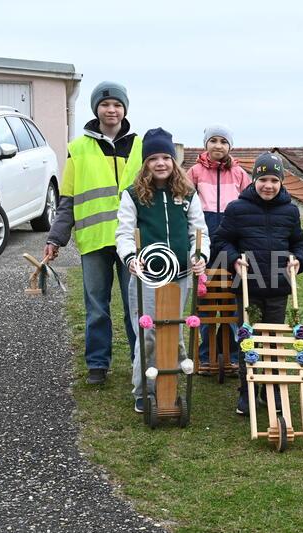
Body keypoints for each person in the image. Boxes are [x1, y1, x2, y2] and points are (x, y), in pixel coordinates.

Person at [44, 81, 143, 385]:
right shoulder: (78, 148)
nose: (111, 110)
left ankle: (140, 362)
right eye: (105, 105)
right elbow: (68, 199)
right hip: (94, 240)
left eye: (117, 104)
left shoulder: (141, 146)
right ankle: (98, 365)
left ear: (124, 109)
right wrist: (55, 238)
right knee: (97, 307)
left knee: (134, 307)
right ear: (96, 109)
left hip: (133, 241)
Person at [115, 128, 209, 413]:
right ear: (145, 163)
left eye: (165, 157)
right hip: (147, 277)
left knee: (173, 333)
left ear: (173, 160)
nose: (160, 163)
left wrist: (200, 256)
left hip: (179, 276)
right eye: (153, 158)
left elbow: (199, 231)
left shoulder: (188, 194)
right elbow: (124, 234)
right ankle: (144, 390)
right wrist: (130, 257)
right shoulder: (133, 195)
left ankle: (170, 386)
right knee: (147, 334)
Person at [211, 152, 303, 416]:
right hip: (248, 287)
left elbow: (299, 243)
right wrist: (232, 260)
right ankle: (248, 389)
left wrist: (298, 259)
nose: (268, 185)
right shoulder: (237, 209)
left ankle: (272, 389)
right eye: (263, 179)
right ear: (254, 180)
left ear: (281, 182)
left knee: (273, 342)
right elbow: (221, 241)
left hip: (277, 287)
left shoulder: (290, 211)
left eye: (274, 180)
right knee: (249, 340)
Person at [186, 124, 249, 370]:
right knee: (206, 296)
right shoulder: (194, 172)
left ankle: (232, 354)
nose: (218, 146)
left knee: (231, 297)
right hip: (204, 243)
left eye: (223, 141)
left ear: (230, 146)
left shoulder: (240, 174)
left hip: (232, 244)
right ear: (206, 144)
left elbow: (249, 204)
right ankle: (206, 353)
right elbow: (185, 204)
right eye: (213, 141)